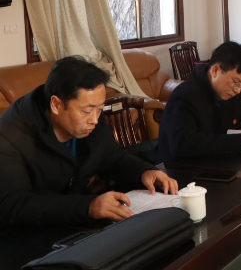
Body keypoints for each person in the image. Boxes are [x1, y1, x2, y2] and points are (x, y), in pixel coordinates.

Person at [0, 56, 177, 227]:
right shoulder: (9, 134)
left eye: (99, 109)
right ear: (56, 105)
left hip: (73, 222)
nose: (94, 119)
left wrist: (143, 172)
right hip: (25, 233)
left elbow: (111, 157)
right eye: (86, 111)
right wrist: (88, 207)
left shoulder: (92, 118)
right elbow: (13, 205)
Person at [158, 41, 241, 162]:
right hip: (182, 171)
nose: (238, 90)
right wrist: (236, 143)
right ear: (215, 70)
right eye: (235, 82)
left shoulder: (224, 91)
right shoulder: (185, 96)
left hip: (215, 164)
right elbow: (182, 144)